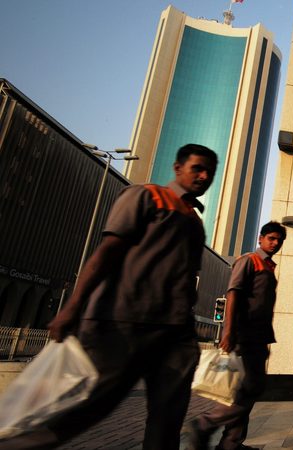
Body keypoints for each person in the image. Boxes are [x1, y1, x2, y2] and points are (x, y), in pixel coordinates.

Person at [0, 144, 218, 450]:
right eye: (197, 168)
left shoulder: (195, 222)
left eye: (210, 171)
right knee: (84, 410)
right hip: (122, 324)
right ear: (178, 168)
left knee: (168, 419)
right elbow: (107, 253)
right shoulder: (145, 196)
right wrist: (72, 308)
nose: (204, 175)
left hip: (174, 335)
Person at [188, 221, 287, 450]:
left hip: (260, 336)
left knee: (242, 393)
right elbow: (233, 294)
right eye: (271, 238)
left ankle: (231, 443)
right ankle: (205, 424)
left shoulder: (268, 265)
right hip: (245, 336)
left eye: (279, 240)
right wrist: (229, 331)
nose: (276, 243)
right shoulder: (249, 260)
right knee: (252, 388)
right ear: (260, 238)